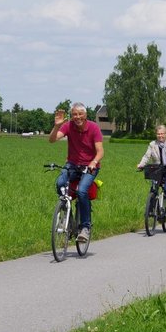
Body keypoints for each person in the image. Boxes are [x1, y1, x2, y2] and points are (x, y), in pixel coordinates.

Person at [49, 102, 104, 243]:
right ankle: (68, 220)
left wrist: (93, 162)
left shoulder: (94, 128)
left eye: (80, 114)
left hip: (90, 166)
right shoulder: (68, 126)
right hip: (72, 164)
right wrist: (57, 126)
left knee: (82, 191)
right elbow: (52, 140)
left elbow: (100, 151)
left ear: (85, 115)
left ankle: (85, 227)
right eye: (74, 114)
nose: (77, 117)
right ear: (71, 116)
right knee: (60, 184)